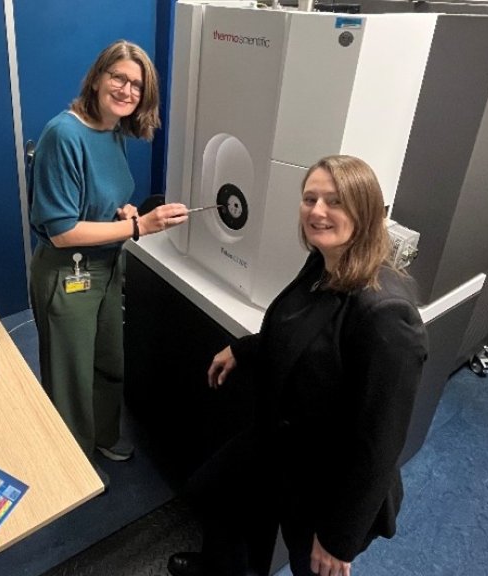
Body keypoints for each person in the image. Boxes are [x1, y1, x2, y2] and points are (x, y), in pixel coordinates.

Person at [167, 155, 428, 576]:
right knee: (213, 492)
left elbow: (378, 445)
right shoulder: (324, 265)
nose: (317, 211)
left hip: (324, 484)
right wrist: (245, 350)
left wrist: (338, 539)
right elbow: (296, 330)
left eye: (334, 201)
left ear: (364, 211)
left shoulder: (386, 313)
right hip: (280, 442)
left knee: (312, 564)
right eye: (310, 198)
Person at [29, 40, 189, 470]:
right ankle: (72, 463)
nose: (126, 89)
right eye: (118, 77)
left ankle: (102, 435)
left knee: (108, 361)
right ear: (98, 77)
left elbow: (101, 201)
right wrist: (139, 226)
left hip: (107, 266)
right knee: (70, 377)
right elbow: (62, 231)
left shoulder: (114, 131)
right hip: (68, 272)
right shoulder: (63, 135)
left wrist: (124, 212)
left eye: (136, 84)